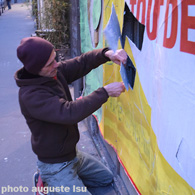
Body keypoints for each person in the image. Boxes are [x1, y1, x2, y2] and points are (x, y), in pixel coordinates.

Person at [14, 37, 127, 194]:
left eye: (55, 58)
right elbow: (68, 112)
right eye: (50, 64)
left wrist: (107, 54)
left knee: (105, 179)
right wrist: (105, 92)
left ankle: (60, 185)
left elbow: (82, 62)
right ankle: (49, 184)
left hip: (72, 155)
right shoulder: (31, 95)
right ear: (36, 69)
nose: (56, 65)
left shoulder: (52, 73)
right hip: (55, 165)